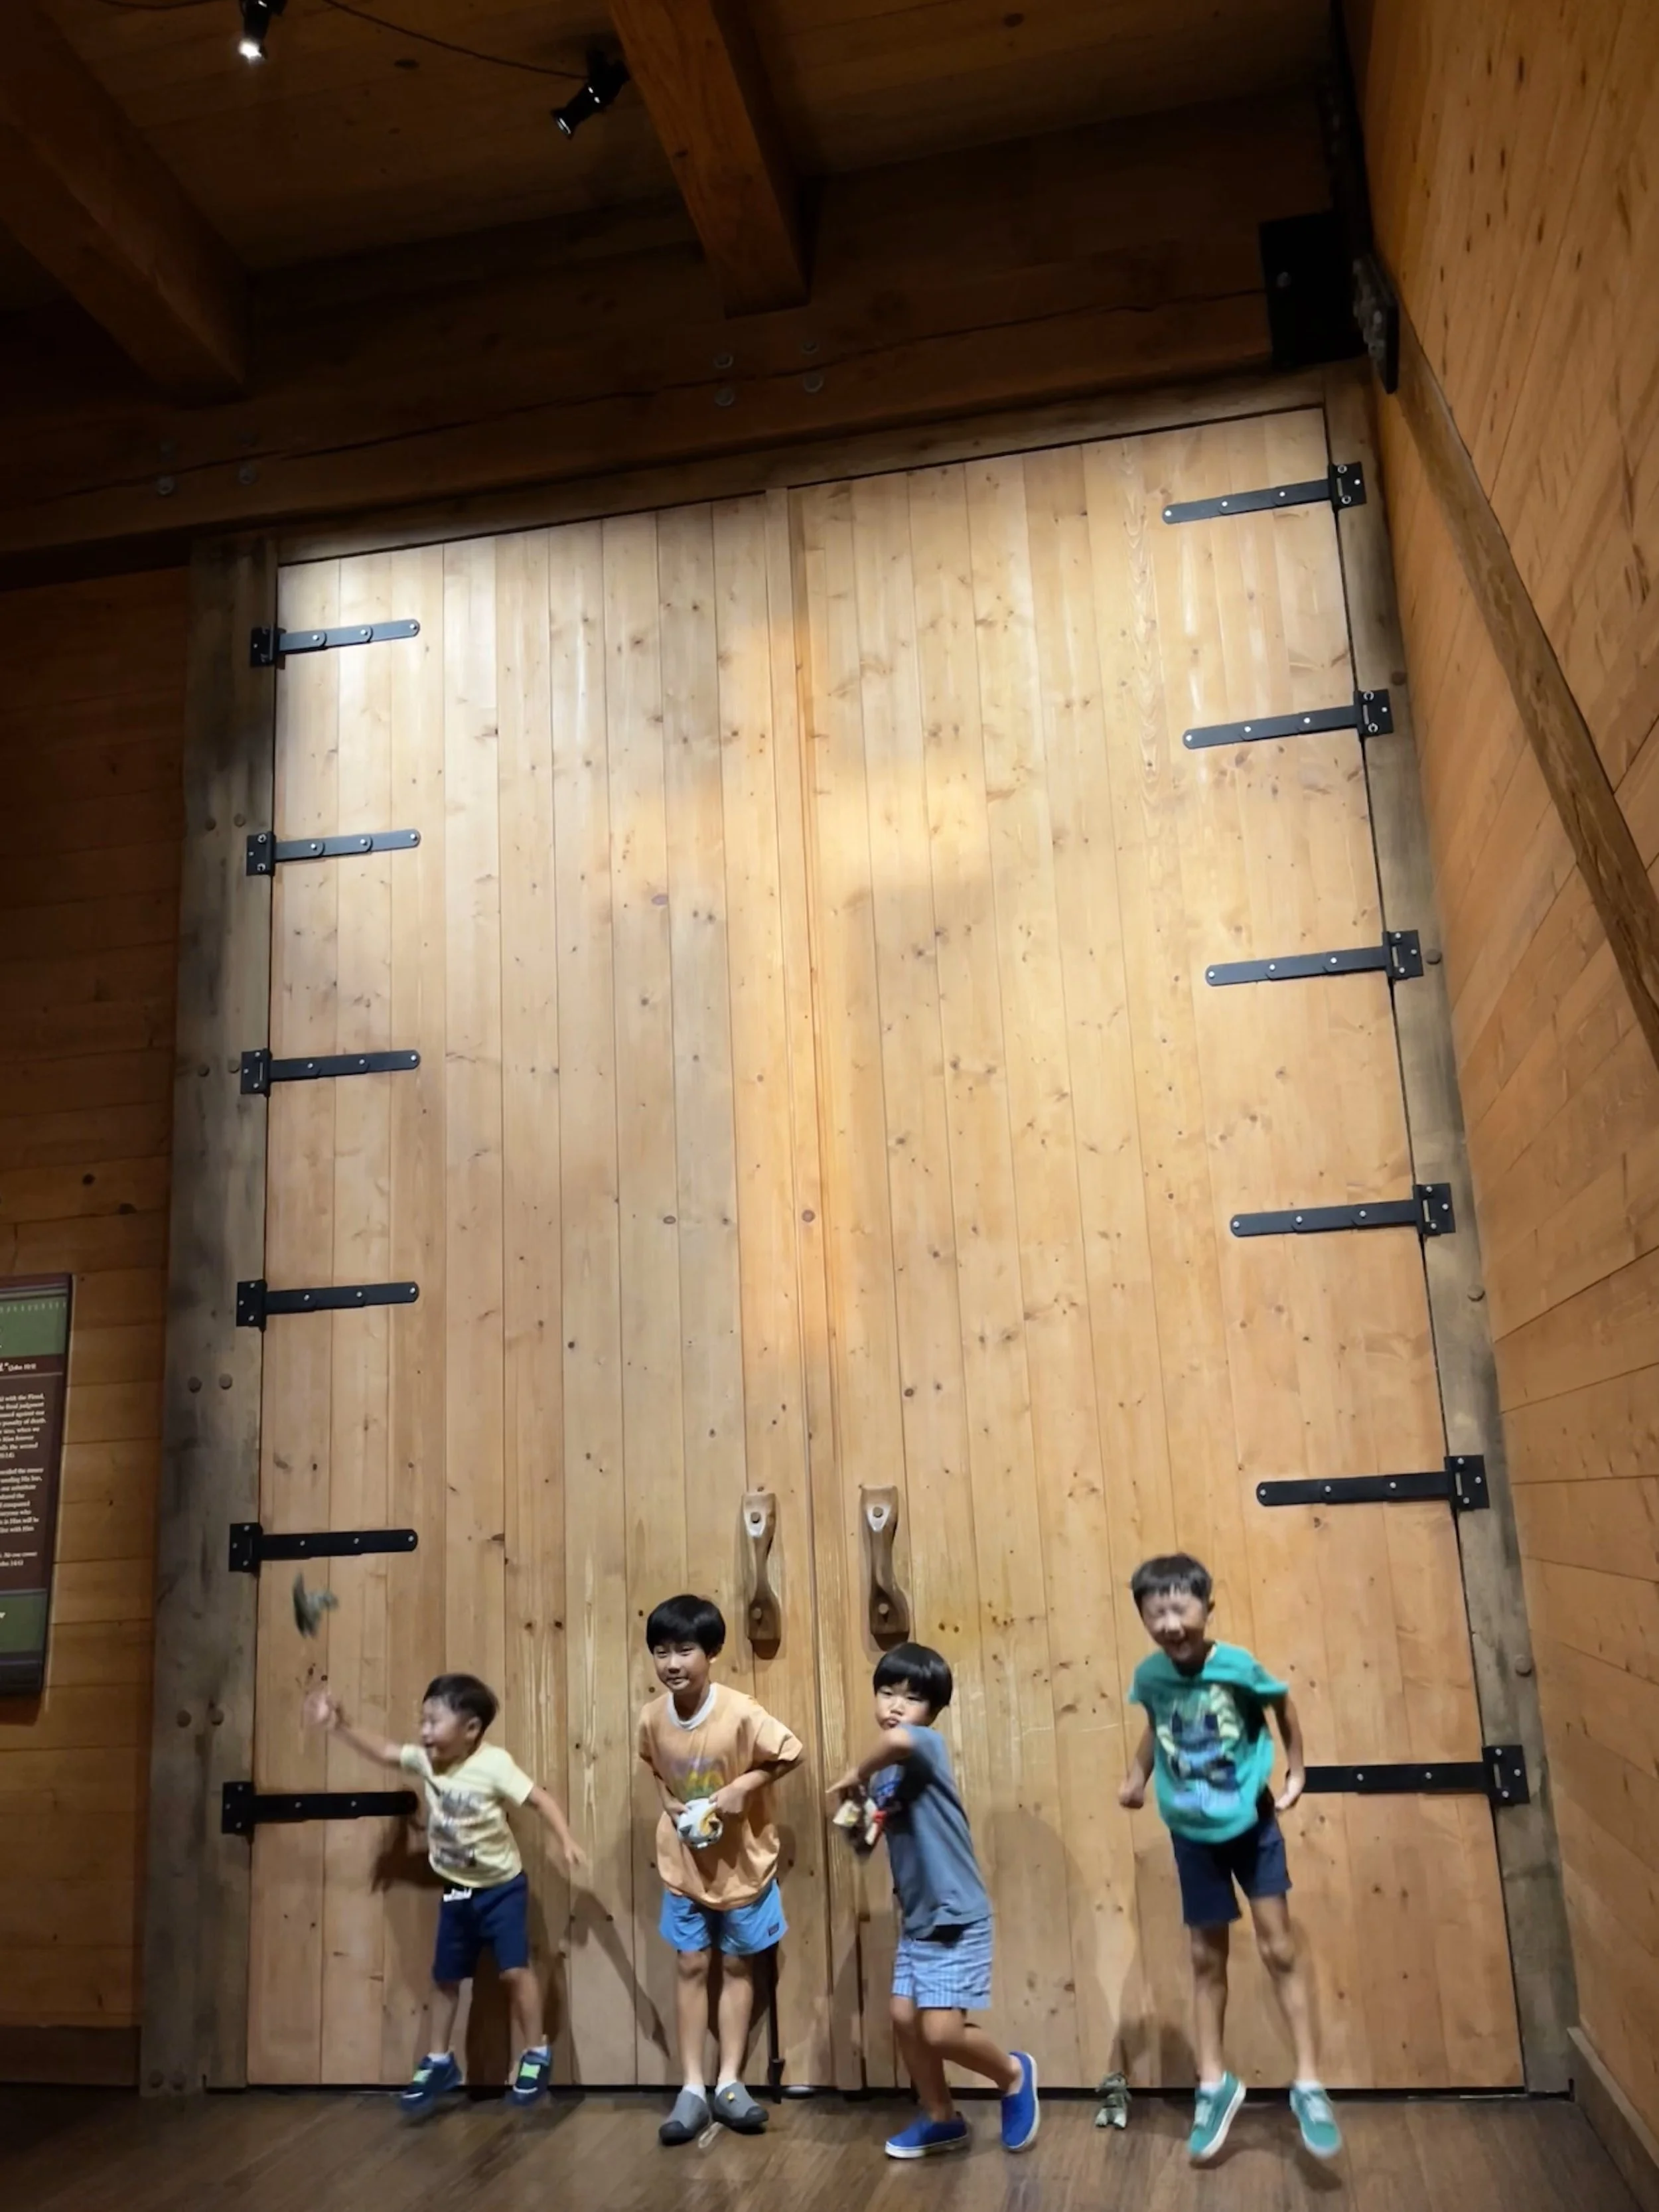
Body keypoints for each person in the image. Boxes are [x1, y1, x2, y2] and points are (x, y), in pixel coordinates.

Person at [1118, 1553, 1341, 2164]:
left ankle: (1308, 2083)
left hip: (1250, 1822)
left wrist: (1297, 1770)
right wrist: (1137, 1774)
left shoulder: (1237, 1666)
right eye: (1155, 1612)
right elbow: (1158, 1723)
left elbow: (1281, 1704)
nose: (1170, 1623)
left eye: (1180, 1608)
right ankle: (1214, 2085)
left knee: (1279, 1947)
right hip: (1192, 1832)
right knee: (1204, 1957)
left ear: (1207, 1607)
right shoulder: (1151, 1676)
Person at [305, 1672, 584, 2115]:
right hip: (457, 1889)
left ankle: (535, 2053)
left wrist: (564, 1840)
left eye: (435, 1722)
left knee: (515, 1970)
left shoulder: (494, 1765)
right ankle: (439, 2060)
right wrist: (341, 1725)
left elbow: (540, 1800)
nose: (424, 1731)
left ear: (471, 1729)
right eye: (423, 1721)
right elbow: (385, 1751)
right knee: (446, 1977)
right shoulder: (426, 1761)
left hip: (502, 1888)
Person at [827, 1641, 1039, 2161]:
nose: (896, 1705)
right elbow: (865, 1841)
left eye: (912, 1697)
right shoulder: (887, 1773)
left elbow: (897, 1739)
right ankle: (942, 2116)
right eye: (886, 1692)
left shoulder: (924, 1744)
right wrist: (853, 1806)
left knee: (940, 2030)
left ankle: (1013, 2073)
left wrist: (856, 1771)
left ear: (934, 1711)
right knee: (904, 2017)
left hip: (955, 1913)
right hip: (919, 1918)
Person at [638, 1593, 804, 2146]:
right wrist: (669, 1805)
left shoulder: (740, 1711)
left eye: (685, 1649)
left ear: (711, 1652)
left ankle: (730, 2081)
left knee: (737, 1964)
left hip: (743, 1863)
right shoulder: (652, 1717)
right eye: (661, 1651)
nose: (672, 1663)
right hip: (684, 1862)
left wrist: (743, 1787)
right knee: (691, 1963)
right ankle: (691, 2087)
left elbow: (791, 1752)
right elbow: (654, 1767)